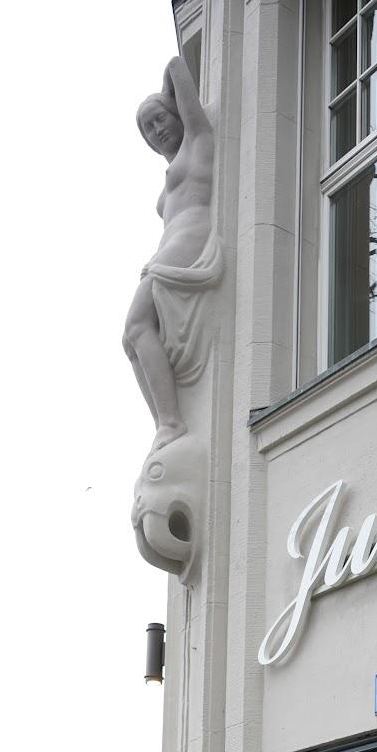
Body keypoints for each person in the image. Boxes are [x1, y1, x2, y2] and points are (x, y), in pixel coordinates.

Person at [123, 56, 221, 455]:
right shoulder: (167, 181)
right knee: (132, 340)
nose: (157, 130)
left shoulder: (199, 139)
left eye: (160, 118)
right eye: (148, 128)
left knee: (135, 326)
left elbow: (178, 65)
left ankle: (171, 421)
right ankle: (164, 424)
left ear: (177, 112)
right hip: (169, 248)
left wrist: (166, 90)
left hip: (191, 237)